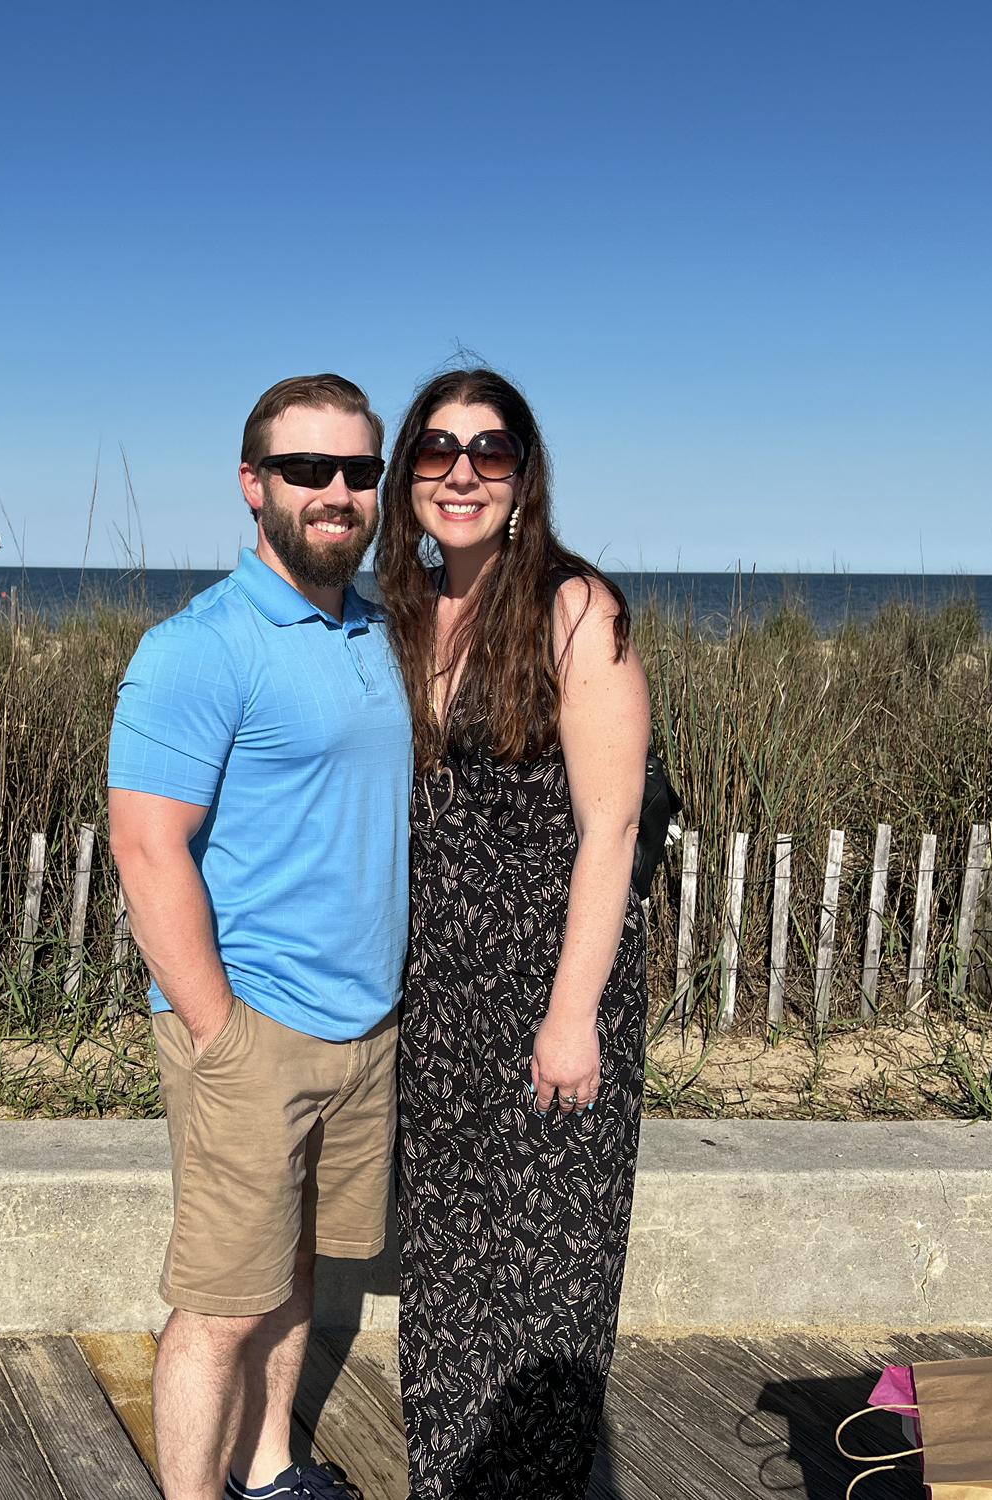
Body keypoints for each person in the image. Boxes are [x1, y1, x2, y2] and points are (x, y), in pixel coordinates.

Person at [108, 373, 411, 1500]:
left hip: (362, 1024)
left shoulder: (380, 630)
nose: (335, 492)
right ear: (253, 485)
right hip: (250, 1022)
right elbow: (147, 848)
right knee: (218, 1303)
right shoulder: (201, 645)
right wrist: (218, 1032)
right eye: (306, 470)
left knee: (296, 1273)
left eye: (357, 472)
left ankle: (271, 1465)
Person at [377, 367, 653, 1498]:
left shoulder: (573, 608)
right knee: (445, 1277)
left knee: (547, 1280)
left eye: (488, 452)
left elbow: (613, 825)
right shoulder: (397, 611)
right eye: (435, 450)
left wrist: (571, 1014)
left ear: (522, 478)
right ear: (407, 477)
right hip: (437, 991)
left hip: (550, 984)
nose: (460, 473)